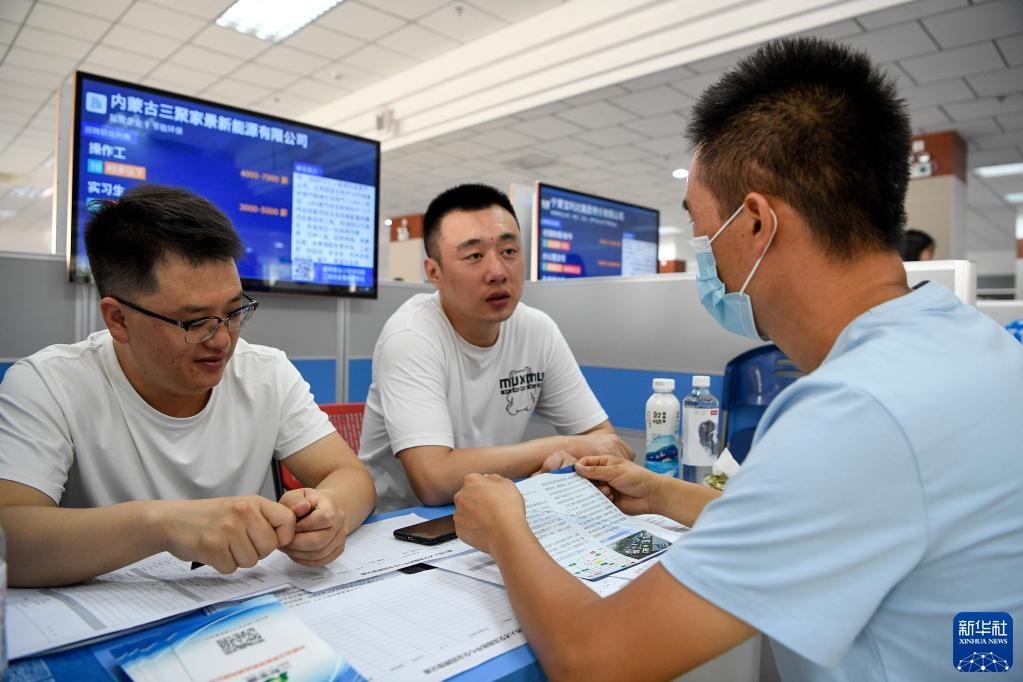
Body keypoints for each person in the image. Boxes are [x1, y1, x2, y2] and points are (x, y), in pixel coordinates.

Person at [453, 37, 1023, 680]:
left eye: (702, 231)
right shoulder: (968, 345)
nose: (706, 257)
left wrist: (504, 529)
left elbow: (594, 659)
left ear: (755, 223)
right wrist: (660, 493)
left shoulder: (853, 413)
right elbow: (828, 522)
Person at [0, 185, 376, 587]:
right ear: (118, 320)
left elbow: (350, 475)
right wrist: (162, 525)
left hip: (243, 601)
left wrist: (328, 510)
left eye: (235, 312)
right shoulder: (49, 384)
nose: (223, 340)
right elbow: (10, 534)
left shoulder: (266, 372)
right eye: (195, 322)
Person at [359, 183, 632, 511]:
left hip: (495, 511)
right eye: (474, 256)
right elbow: (433, 480)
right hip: (404, 525)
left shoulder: (537, 329)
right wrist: (565, 447)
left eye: (509, 251)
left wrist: (569, 462)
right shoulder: (411, 336)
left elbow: (603, 440)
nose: (498, 272)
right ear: (434, 272)